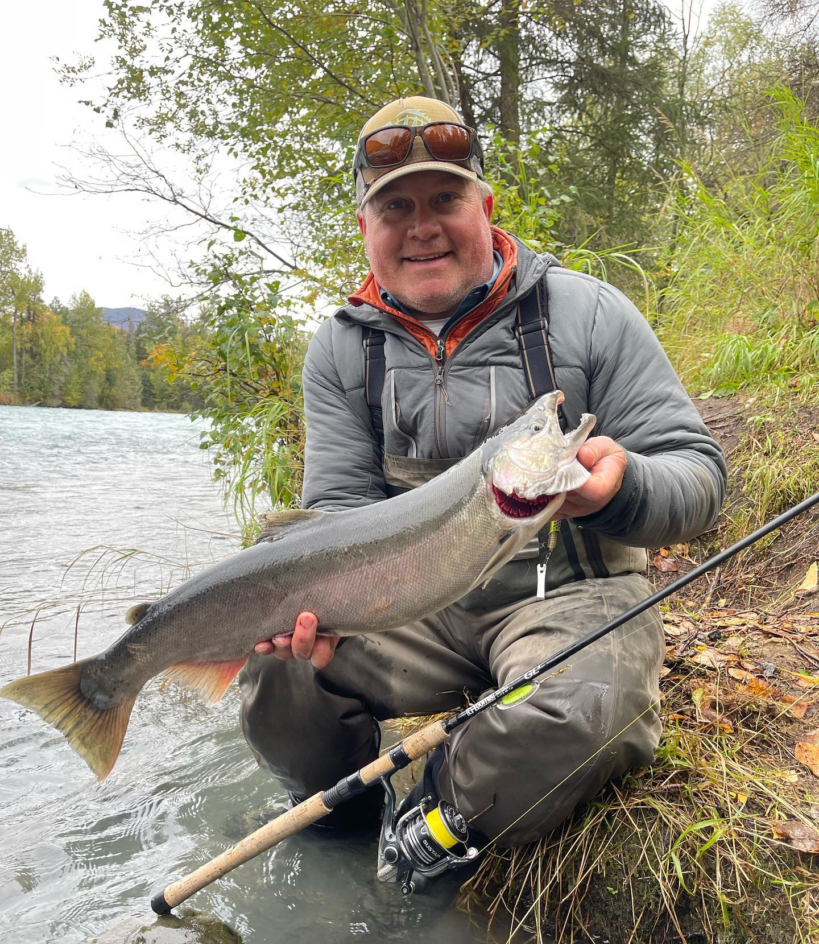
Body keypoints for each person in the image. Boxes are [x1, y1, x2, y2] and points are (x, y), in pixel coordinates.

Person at [237, 96, 726, 858]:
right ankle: (337, 827)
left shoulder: (589, 314)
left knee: (586, 707)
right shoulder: (340, 350)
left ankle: (435, 822)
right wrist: (320, 617)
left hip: (569, 596)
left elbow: (698, 475)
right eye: (394, 207)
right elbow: (336, 513)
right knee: (276, 680)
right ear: (365, 229)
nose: (421, 226)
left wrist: (618, 491)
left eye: (444, 199)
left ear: (485, 207)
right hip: (408, 606)